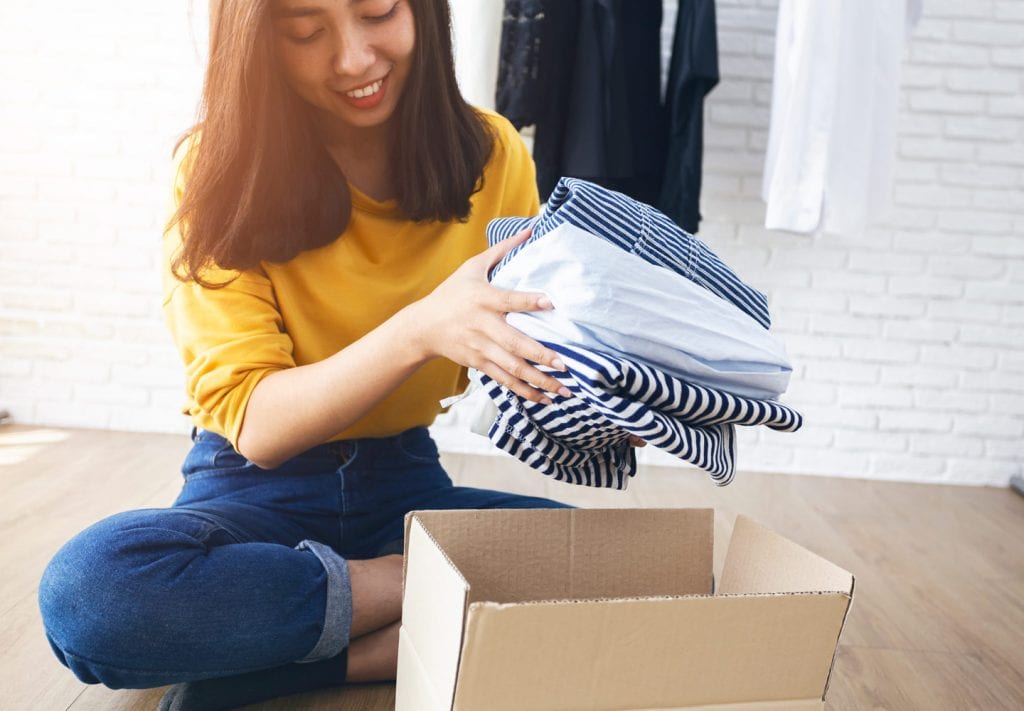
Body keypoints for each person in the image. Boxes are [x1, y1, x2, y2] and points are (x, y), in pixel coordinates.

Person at [36, 0, 620, 707]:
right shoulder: (217, 168)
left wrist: (600, 380)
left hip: (403, 483)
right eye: (305, 31)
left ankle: (301, 651)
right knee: (92, 594)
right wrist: (419, 329)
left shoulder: (493, 152)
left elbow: (518, 349)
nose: (352, 58)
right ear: (258, 42)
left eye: (378, 12)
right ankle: (405, 599)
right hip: (252, 490)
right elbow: (259, 423)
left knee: (620, 566)